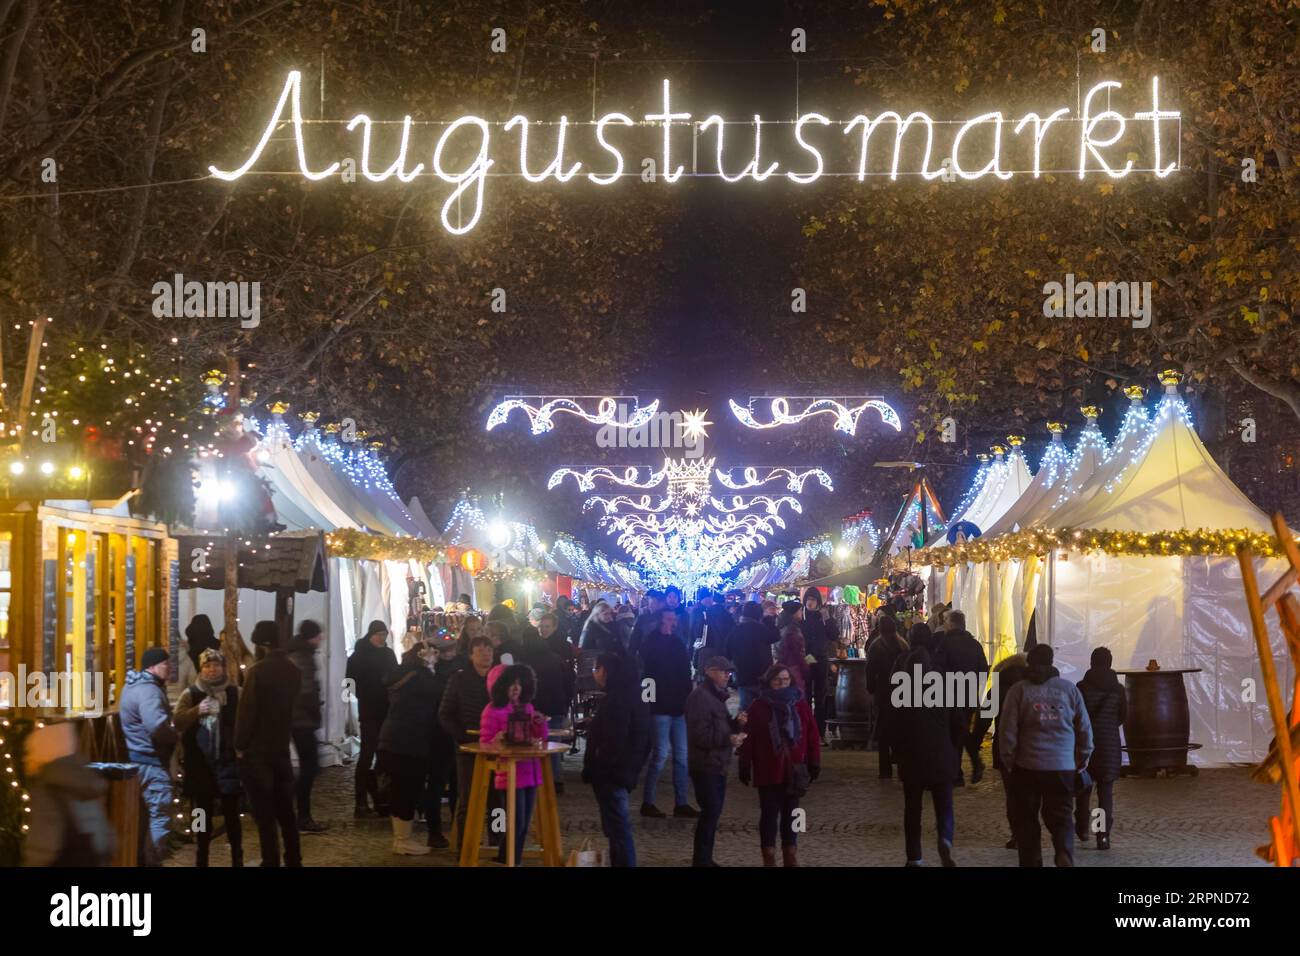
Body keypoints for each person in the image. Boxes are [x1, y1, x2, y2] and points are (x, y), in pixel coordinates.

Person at [1000, 643, 1094, 867]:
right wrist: (1082, 758)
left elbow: (1007, 731)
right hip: (1062, 765)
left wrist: (1010, 761)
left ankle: (1032, 862)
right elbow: (1084, 729)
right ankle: (1063, 851)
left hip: (1027, 766)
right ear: (1052, 662)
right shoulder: (1069, 690)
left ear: (1029, 663)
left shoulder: (1019, 690)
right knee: (1061, 816)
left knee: (1027, 819)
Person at [234, 621, 303, 867]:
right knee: (286, 810)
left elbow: (247, 713)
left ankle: (270, 859)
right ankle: (294, 858)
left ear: (261, 643)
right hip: (281, 747)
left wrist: (239, 745)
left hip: (257, 752)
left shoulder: (257, 672)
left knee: (264, 813)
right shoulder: (293, 671)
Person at [738, 663, 821, 867]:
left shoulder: (800, 703)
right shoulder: (759, 706)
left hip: (793, 768)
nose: (782, 684)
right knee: (768, 813)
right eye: (778, 681)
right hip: (768, 769)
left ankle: (790, 854)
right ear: (769, 682)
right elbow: (749, 737)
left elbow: (811, 733)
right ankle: (769, 856)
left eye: (785, 680)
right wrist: (744, 762)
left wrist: (814, 760)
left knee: (792, 813)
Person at [891, 626, 961, 866]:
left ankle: (914, 856)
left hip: (912, 754)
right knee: (944, 803)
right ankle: (945, 838)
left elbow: (894, 721)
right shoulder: (942, 680)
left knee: (912, 808)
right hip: (940, 751)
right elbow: (956, 720)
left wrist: (895, 752)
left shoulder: (901, 683)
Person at [174, 648, 243, 866]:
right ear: (201, 668)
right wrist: (197, 711)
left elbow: (244, 721)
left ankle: (237, 857)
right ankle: (201, 856)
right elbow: (178, 721)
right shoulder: (191, 693)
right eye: (207, 665)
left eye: (216, 665)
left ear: (223, 667)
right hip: (200, 764)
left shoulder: (234, 693)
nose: (212, 670)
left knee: (232, 812)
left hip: (227, 762)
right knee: (200, 812)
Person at [582, 652, 652, 866]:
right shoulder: (633, 695)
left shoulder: (617, 700)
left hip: (612, 775)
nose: (594, 674)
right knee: (617, 831)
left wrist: (599, 768)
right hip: (623, 772)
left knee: (618, 831)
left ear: (605, 671)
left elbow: (615, 739)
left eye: (595, 669)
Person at [480, 663, 550, 864]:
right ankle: (509, 858)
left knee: (524, 821)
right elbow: (485, 742)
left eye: (520, 683)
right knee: (516, 820)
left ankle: (510, 857)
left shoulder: (527, 707)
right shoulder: (492, 710)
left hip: (531, 770)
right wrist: (498, 739)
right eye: (512, 683)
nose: (516, 687)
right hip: (510, 772)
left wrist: (539, 723)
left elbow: (540, 738)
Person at [684, 656, 748, 867]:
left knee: (713, 812)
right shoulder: (701, 697)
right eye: (723, 672)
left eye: (729, 673)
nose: (727, 676)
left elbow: (720, 727)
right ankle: (701, 860)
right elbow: (699, 735)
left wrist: (736, 725)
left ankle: (704, 858)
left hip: (717, 763)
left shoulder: (716, 697)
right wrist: (728, 739)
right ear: (710, 671)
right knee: (710, 811)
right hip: (705, 764)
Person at [22, 720, 114, 866]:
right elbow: (104, 837)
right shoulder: (84, 778)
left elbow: (43, 842)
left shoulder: (47, 784)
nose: (27, 758)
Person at [378, 646, 440, 856]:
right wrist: (432, 668)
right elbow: (437, 694)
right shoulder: (422, 677)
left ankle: (400, 839)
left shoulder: (399, 673)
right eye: (433, 654)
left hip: (391, 737)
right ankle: (403, 840)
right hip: (411, 741)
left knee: (399, 789)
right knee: (408, 790)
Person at [119, 646, 177, 865]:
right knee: (159, 816)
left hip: (137, 761)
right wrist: (174, 735)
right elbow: (156, 726)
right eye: (165, 664)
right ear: (153, 666)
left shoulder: (131, 686)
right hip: (152, 762)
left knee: (143, 818)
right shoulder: (149, 691)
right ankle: (153, 861)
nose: (169, 668)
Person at [639, 608, 698, 819]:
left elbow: (684, 673)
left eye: (674, 619)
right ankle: (648, 801)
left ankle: (681, 803)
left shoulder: (678, 643)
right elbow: (645, 675)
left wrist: (687, 699)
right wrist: (649, 704)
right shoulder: (650, 643)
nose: (671, 623)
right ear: (660, 620)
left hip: (678, 706)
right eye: (668, 619)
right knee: (661, 754)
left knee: (682, 756)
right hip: (659, 707)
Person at [439, 634, 493, 847]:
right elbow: (445, 714)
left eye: (488, 650)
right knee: (468, 800)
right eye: (480, 651)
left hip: (496, 747)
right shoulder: (458, 679)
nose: (485, 655)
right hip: (468, 748)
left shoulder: (500, 679)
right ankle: (465, 846)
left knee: (498, 803)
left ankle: (499, 844)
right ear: (471, 655)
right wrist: (462, 737)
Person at [1075, 646, 1126, 851]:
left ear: (1091, 662)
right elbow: (1123, 716)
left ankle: (1082, 828)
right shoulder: (1118, 689)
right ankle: (1102, 836)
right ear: (1110, 663)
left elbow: (1076, 716)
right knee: (1105, 793)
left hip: (1086, 745)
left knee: (1084, 788)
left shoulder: (1081, 687)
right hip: (1109, 746)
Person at [346, 619, 398, 817]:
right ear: (370, 635)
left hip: (387, 710)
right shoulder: (358, 657)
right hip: (369, 712)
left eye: (384, 635)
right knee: (367, 754)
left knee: (384, 756)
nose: (382, 638)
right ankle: (361, 802)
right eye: (379, 634)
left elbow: (395, 675)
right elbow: (348, 682)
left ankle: (380, 797)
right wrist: (362, 695)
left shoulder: (388, 654)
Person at [932, 609, 990, 785]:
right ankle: (966, 766)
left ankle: (958, 773)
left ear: (950, 624)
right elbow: (983, 671)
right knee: (962, 731)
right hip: (968, 695)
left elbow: (937, 670)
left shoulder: (944, 644)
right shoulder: (975, 645)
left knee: (953, 734)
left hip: (949, 695)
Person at [520, 613, 575, 789]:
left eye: (546, 626)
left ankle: (553, 778)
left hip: (550, 702)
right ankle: (553, 777)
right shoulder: (547, 651)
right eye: (541, 627)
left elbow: (567, 678)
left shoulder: (559, 649)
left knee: (550, 740)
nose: (543, 630)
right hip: (552, 701)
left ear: (555, 627)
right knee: (551, 740)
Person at [286, 620, 328, 833]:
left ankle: (290, 809)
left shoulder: (301, 654)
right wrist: (314, 709)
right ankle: (298, 814)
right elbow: (305, 691)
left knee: (310, 768)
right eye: (319, 634)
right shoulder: (302, 657)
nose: (321, 638)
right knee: (310, 768)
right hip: (302, 721)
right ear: (311, 636)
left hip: (301, 720)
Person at [424, 636, 460, 848]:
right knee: (451, 786)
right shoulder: (456, 674)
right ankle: (454, 829)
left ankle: (437, 831)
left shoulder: (430, 674)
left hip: (438, 735)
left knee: (438, 786)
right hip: (445, 736)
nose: (450, 654)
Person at [991, 651, 1030, 849]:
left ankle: (1017, 833)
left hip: (1005, 746)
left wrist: (972, 743)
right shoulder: (1032, 686)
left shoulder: (1000, 685)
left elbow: (985, 713)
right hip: (1031, 747)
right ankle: (1030, 830)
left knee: (1012, 794)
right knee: (1030, 793)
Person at [866, 616, 910, 779]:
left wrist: (871, 689)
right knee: (900, 729)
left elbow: (870, 670)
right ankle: (901, 766)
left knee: (883, 732)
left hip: (883, 692)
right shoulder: (903, 645)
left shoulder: (876, 646)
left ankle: (885, 770)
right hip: (901, 691)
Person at [800, 587, 839, 741]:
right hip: (807, 660)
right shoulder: (801, 617)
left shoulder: (823, 617)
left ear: (818, 601)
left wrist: (827, 619)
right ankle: (807, 730)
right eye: (808, 599)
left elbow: (834, 635)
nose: (810, 603)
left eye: (813, 599)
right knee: (806, 696)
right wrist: (808, 657)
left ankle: (820, 733)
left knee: (821, 697)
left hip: (822, 660)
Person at [727, 602, 774, 711]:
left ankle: (744, 726)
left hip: (743, 674)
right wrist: (769, 621)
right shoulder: (762, 629)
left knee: (745, 706)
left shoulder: (736, 630)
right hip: (762, 674)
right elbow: (775, 637)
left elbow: (728, 650)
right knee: (763, 706)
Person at [775, 625, 810, 693]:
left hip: (782, 693)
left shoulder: (781, 659)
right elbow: (806, 674)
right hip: (797, 692)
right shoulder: (799, 658)